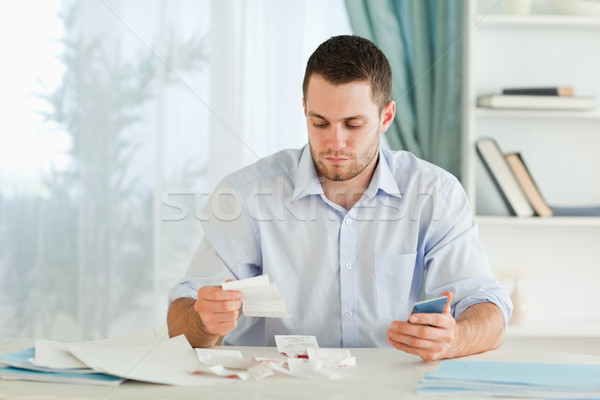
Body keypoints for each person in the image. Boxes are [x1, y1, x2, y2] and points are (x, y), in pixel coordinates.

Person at [167, 35, 512, 362]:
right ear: (305, 110)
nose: (335, 143)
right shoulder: (246, 194)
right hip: (274, 388)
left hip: (387, 387)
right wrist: (203, 320)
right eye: (320, 123)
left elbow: (487, 307)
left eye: (353, 124)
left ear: (386, 117)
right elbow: (180, 320)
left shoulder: (435, 193)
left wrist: (454, 338)